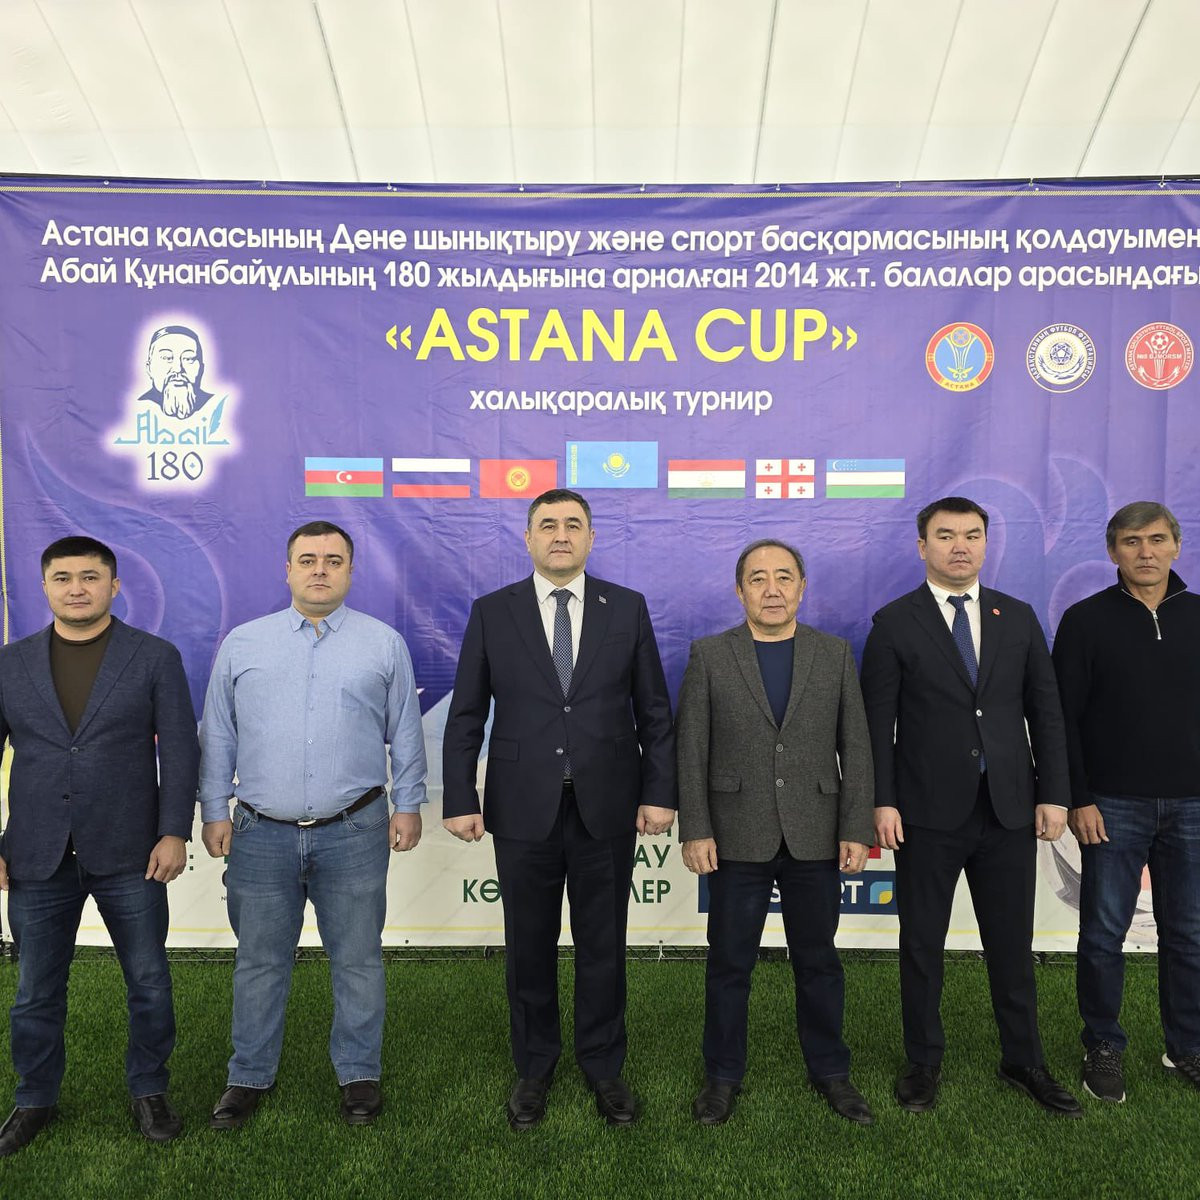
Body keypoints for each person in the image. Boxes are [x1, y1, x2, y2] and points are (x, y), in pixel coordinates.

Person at [442, 488, 675, 1129]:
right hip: (522, 807)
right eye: (548, 525)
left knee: (604, 944)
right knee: (528, 946)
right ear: (528, 538)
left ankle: (604, 1067)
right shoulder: (493, 611)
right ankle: (534, 1067)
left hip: (607, 804)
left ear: (592, 538)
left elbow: (655, 712)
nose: (561, 535)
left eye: (574, 524)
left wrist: (659, 792)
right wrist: (460, 796)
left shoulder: (626, 608)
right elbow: (466, 714)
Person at [199, 520, 426, 1129]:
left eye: (332, 560)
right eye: (307, 560)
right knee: (259, 961)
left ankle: (359, 1074)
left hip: (354, 830)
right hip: (259, 832)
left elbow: (405, 732)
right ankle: (247, 1076)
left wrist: (409, 803)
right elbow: (218, 733)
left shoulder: (383, 644)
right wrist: (214, 809)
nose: (319, 570)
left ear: (351, 571)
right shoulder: (243, 644)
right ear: (288, 570)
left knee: (358, 960)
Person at [860, 497, 1081, 1116]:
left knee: (1011, 944)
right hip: (925, 812)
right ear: (922, 546)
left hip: (1009, 809)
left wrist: (1054, 793)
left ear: (986, 543)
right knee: (922, 945)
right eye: (946, 535)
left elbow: (1047, 712)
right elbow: (877, 724)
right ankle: (923, 1062)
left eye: (973, 535)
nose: (960, 546)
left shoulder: (1018, 616)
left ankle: (1024, 1059)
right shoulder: (894, 622)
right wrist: (882, 801)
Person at [0, 536, 199, 1156]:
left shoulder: (154, 656)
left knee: (148, 981)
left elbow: (181, 750)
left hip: (132, 851)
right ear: (44, 587)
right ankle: (34, 1097)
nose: (77, 588)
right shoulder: (10, 663)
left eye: (90, 576)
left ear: (114, 585)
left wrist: (174, 831)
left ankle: (150, 1090)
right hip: (36, 854)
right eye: (63, 577)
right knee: (35, 989)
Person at [676, 540, 876, 1126]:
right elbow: (691, 749)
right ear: (739, 590)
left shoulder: (834, 654)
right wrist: (696, 828)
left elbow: (856, 746)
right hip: (736, 834)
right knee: (729, 964)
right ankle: (722, 1077)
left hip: (816, 832)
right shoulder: (710, 655)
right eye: (758, 578)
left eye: (784, 577)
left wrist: (855, 826)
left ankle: (831, 1072)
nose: (772, 589)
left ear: (802, 587)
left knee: (819, 962)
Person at [1053, 501, 1200, 1101]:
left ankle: (1186, 1046)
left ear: (1176, 546)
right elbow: (1063, 719)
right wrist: (1078, 799)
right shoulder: (1085, 620)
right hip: (1111, 804)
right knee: (1102, 935)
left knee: (1189, 935)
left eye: (1157, 540)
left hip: (1193, 806)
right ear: (1113, 551)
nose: (1146, 552)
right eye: (1132, 542)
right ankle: (1103, 1045)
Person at [138, 324, 213, 418]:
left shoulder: (214, 405)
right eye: (167, 358)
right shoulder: (137, 408)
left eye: (188, 359)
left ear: (201, 369)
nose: (178, 369)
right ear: (149, 368)